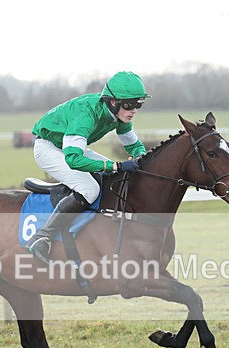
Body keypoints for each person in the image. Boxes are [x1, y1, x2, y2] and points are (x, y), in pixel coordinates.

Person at [25, 71, 150, 263]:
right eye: (129, 105)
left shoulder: (120, 116)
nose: (133, 110)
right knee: (90, 189)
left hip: (68, 147)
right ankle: (42, 237)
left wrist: (140, 158)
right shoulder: (86, 114)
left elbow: (134, 146)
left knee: (111, 177)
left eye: (138, 104)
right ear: (113, 102)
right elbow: (73, 159)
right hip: (48, 148)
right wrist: (116, 165)